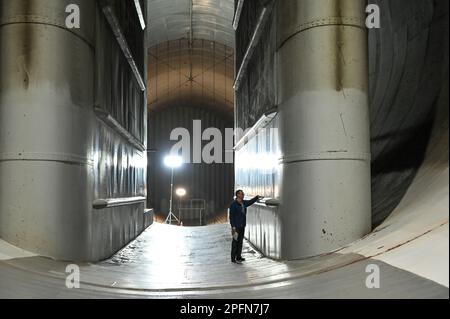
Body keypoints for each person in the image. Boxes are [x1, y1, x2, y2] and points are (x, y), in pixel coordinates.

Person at [229, 190, 261, 264]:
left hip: (242, 225)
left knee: (240, 242)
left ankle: (239, 257)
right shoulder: (233, 204)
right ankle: (233, 258)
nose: (243, 194)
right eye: (241, 194)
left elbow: (250, 202)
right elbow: (231, 217)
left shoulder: (243, 203)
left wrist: (256, 197)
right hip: (236, 226)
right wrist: (233, 226)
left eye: (243, 194)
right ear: (237, 195)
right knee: (235, 242)